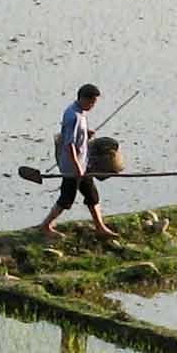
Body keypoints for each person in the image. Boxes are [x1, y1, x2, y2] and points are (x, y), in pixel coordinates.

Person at [39, 83, 118, 237]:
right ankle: (45, 226)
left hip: (81, 163)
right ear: (83, 98)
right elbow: (69, 144)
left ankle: (100, 227)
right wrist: (77, 167)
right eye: (92, 102)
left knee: (91, 195)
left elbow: (76, 138)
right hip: (73, 166)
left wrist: (85, 134)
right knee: (66, 198)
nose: (93, 106)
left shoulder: (80, 113)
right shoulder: (73, 116)